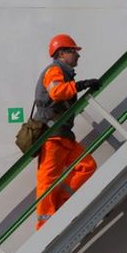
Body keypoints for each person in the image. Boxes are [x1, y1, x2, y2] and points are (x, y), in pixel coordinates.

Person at [34, 34, 100, 229]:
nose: (78, 56)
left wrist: (80, 84)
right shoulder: (54, 70)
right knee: (47, 181)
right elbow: (57, 92)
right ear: (62, 53)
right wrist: (82, 85)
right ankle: (45, 226)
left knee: (87, 166)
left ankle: (61, 206)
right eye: (74, 51)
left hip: (63, 135)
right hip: (52, 136)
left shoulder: (64, 72)